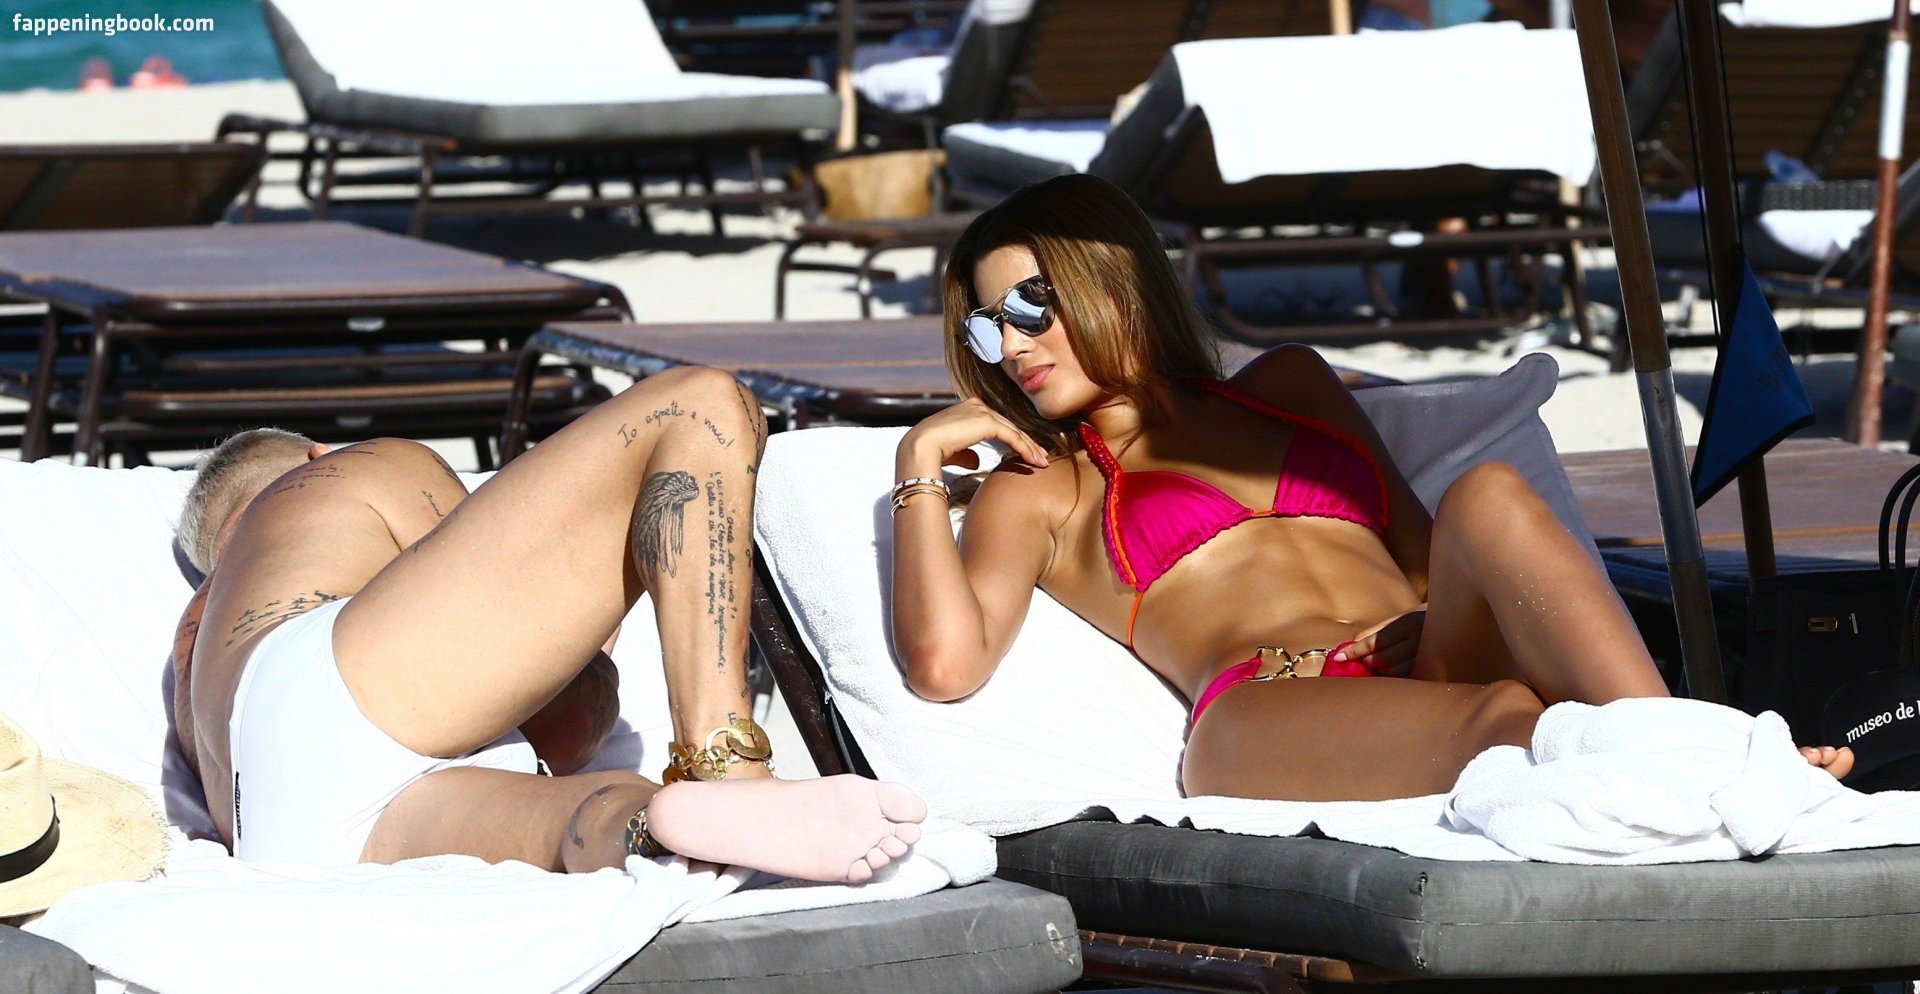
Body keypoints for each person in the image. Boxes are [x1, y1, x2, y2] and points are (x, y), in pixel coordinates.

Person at [888, 174, 1854, 802]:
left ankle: (1682, 743)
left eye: (1029, 306)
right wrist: (919, 465)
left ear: (1112, 281)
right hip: (1272, 708)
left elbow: (1431, 562)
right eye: (984, 328)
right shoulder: (1042, 490)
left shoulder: (1289, 387)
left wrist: (1422, 616)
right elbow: (943, 664)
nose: (1010, 345)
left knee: (1489, 494)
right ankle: (1715, 769)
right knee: (1509, 719)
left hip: (1422, 657)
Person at [170, 367, 925, 881]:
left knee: (598, 810)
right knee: (699, 404)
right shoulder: (339, 475)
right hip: (345, 680)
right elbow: (569, 720)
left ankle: (651, 824)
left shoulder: (197, 641)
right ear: (316, 456)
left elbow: (563, 746)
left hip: (284, 835)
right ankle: (728, 766)